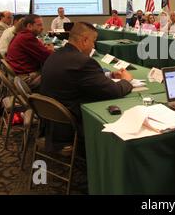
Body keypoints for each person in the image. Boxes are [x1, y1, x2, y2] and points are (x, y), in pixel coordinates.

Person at [40, 22, 133, 152]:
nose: (93, 46)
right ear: (84, 40)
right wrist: (127, 81)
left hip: (51, 119)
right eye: (93, 41)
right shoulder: (83, 62)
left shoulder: (56, 54)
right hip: (71, 121)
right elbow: (114, 91)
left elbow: (82, 79)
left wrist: (110, 74)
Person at [6, 14, 53, 90]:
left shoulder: (22, 35)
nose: (42, 28)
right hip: (24, 79)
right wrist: (51, 50)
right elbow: (48, 57)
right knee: (58, 76)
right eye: (39, 25)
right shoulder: (27, 37)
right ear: (29, 26)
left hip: (18, 75)